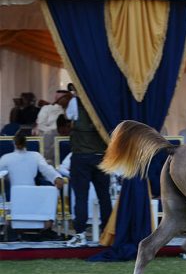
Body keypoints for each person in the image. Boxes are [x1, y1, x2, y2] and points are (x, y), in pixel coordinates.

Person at [65, 88, 112, 247]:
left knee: (81, 197)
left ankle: (80, 234)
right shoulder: (105, 103)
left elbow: (69, 118)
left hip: (81, 156)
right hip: (101, 156)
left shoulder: (75, 102)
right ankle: (107, 233)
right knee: (104, 197)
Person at [0, 132, 64, 234]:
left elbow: (46, 169)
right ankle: (45, 225)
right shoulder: (35, 156)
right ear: (26, 143)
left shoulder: (6, 158)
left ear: (14, 144)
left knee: (51, 190)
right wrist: (57, 178)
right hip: (26, 196)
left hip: (18, 195)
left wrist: (56, 178)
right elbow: (47, 169)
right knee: (51, 192)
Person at [34, 90, 73, 164]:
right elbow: (41, 125)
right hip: (49, 140)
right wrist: (56, 129)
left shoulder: (70, 110)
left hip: (66, 140)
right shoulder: (47, 108)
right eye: (67, 98)